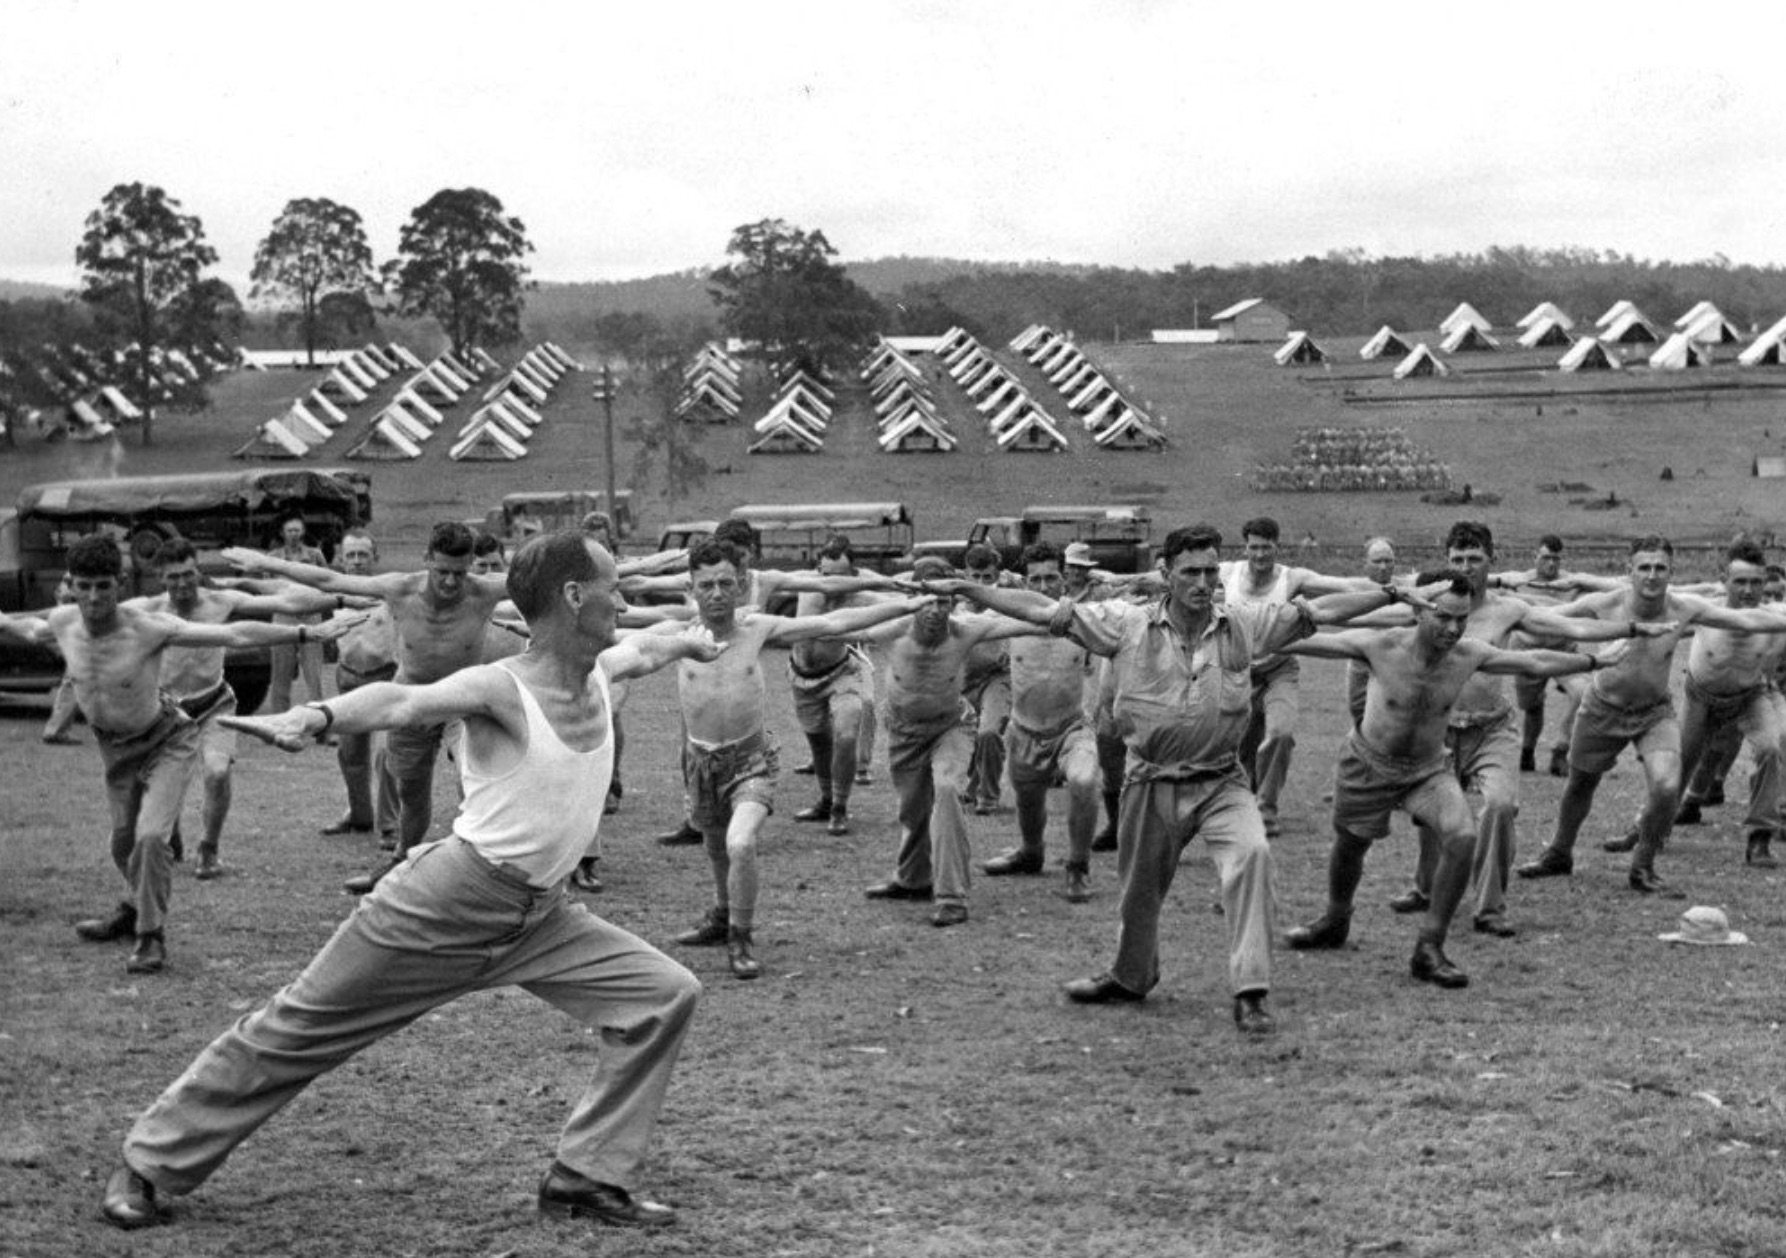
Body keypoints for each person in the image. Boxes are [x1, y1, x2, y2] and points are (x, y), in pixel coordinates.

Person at [99, 530, 716, 1233]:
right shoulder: (500, 686)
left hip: (542, 918)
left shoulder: (602, 672)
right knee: (299, 1028)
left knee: (662, 996)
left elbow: (650, 646)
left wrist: (692, 640)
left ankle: (586, 1177)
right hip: (442, 905)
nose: (623, 598)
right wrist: (319, 713)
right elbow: (400, 703)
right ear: (575, 597)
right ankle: (148, 1162)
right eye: (613, 585)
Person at [932, 525, 1405, 1033]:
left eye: (1210, 571)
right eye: (1190, 573)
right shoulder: (1125, 624)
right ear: (1166, 574)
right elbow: (1042, 610)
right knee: (1139, 890)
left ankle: (1251, 991)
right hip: (1152, 780)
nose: (1202, 583)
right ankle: (1131, 975)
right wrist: (966, 590)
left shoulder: (1243, 623)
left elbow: (1320, 613)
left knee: (1253, 856)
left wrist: (1391, 593)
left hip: (1222, 780)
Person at [0, 534, 359, 974]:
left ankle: (151, 937)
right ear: (71, 585)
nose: (94, 598)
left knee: (152, 837)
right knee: (123, 844)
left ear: (121, 583)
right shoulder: (61, 622)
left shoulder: (146, 627)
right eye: (85, 587)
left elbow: (234, 631)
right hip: (115, 751)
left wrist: (306, 630)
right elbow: (22, 626)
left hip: (167, 739)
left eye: (104, 587)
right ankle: (134, 910)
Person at [1280, 573, 1616, 988]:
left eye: (1461, 619)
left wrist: (1595, 661)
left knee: (1461, 836)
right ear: (1418, 609)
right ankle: (1335, 918)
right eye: (1443, 617)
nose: (1454, 629)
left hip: (1426, 770)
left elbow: (1533, 662)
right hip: (1368, 763)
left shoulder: (1468, 654)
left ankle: (1430, 947)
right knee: (1351, 845)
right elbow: (1304, 639)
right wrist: (1245, 628)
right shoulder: (1379, 645)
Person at [1367, 523, 1656, 936]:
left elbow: (1571, 628)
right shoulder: (1424, 600)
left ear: (1492, 560)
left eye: (1474, 559)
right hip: (1440, 727)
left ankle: (1490, 906)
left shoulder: (1507, 609)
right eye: (1457, 560)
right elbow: (1371, 609)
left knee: (1500, 805)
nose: (1464, 568)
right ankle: (1425, 886)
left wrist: (1629, 629)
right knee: (1429, 816)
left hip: (1491, 728)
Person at [661, 539, 925, 977]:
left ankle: (740, 938)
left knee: (740, 842)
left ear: (742, 583)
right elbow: (622, 635)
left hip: (750, 760)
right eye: (706, 585)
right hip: (701, 760)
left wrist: (905, 607)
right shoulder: (679, 636)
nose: (717, 593)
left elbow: (834, 619)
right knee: (714, 844)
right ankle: (722, 914)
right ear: (691, 587)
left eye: (727, 583)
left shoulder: (759, 628)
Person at [222, 522, 508, 893]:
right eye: (442, 572)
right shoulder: (400, 588)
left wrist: (609, 573)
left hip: (463, 701)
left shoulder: (485, 591)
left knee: (473, 781)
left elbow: (552, 574)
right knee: (411, 792)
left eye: (460, 572)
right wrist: (264, 561)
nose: (452, 583)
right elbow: (328, 580)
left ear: (471, 564)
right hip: (409, 702)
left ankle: (482, 870)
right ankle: (402, 863)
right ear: (426, 560)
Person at [1518, 535, 1786, 897]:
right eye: (1644, 567)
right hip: (1603, 706)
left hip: (1655, 712)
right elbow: (1548, 617)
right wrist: (1503, 611)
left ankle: (1643, 866)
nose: (1652, 575)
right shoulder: (1606, 603)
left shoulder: (1685, 608)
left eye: (1660, 568)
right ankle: (1559, 853)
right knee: (1580, 784)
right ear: (1630, 571)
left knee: (1666, 784)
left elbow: (1746, 618)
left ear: (1671, 573)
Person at [639, 517, 896, 847]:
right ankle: (696, 818)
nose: (738, 564)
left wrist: (898, 586)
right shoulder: (702, 576)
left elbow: (830, 589)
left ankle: (793, 805)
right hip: (700, 675)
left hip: (743, 674)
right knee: (689, 749)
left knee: (750, 746)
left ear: (749, 554)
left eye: (742, 555)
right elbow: (649, 586)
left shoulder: (766, 580)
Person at [135, 537, 355, 880]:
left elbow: (286, 601)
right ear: (160, 578)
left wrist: (342, 599)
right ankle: (171, 835)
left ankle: (208, 849)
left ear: (198, 571)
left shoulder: (220, 601)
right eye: (173, 576)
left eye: (189, 574)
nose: (182, 583)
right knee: (163, 782)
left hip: (214, 703)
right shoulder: (147, 610)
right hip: (167, 712)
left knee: (217, 772)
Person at [863, 557, 1041, 927]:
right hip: (904, 731)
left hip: (952, 726)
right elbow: (834, 625)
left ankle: (952, 896)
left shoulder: (965, 630)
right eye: (926, 600)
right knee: (912, 810)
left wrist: (1064, 615)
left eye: (943, 601)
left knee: (945, 791)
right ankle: (913, 879)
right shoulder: (891, 629)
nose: (935, 610)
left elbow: (1026, 617)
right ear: (913, 599)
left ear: (953, 601)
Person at [1605, 540, 1786, 868]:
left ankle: (1760, 838)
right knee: (1677, 769)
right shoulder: (1702, 609)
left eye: (1756, 582)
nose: (1748, 590)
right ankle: (1646, 830)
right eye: (1740, 581)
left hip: (1750, 696)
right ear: (1723, 580)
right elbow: (1635, 597)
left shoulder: (1775, 618)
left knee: (1771, 748)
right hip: (1701, 697)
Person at [1222, 516, 1378, 837]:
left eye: (1267, 548)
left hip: (1280, 670)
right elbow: (1172, 575)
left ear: (1277, 547)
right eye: (1254, 548)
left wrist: (1392, 588)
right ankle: (1242, 801)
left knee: (1280, 733)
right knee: (1242, 746)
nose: (1260, 555)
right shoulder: (1229, 573)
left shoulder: (1292, 578)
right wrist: (1120, 579)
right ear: (1245, 547)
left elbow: (1344, 586)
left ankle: (1265, 809)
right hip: (1237, 673)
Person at [975, 543, 1105, 902]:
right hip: (1025, 729)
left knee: (1083, 780)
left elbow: (1099, 668)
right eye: (1036, 579)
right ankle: (1031, 853)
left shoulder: (1085, 619)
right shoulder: (1008, 621)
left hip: (1072, 728)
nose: (1044, 585)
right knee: (1029, 805)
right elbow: (967, 624)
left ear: (1063, 580)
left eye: (1051, 577)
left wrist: (1094, 712)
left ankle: (1078, 868)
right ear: (1025, 582)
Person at [1490, 536, 1623, 775]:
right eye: (1545, 558)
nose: (1551, 564)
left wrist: (1583, 579)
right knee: (1532, 708)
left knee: (1582, 693)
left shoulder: (1571, 582)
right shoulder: (1519, 581)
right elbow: (1486, 588)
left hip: (1564, 651)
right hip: (1526, 652)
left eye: (1556, 559)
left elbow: (1618, 588)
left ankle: (1561, 750)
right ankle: (1528, 751)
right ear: (1535, 557)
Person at [787, 536, 887, 836]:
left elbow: (898, 600)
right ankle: (826, 801)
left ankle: (840, 809)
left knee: (845, 734)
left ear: (853, 575)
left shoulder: (862, 597)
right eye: (825, 574)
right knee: (819, 741)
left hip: (844, 672)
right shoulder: (805, 585)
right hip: (802, 677)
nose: (830, 584)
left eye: (838, 577)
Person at [323, 529, 399, 841]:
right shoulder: (334, 596)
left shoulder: (389, 593)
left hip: (385, 678)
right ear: (341, 558)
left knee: (385, 754)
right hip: (349, 678)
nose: (356, 561)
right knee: (350, 754)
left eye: (362, 555)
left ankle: (390, 823)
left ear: (374, 558)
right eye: (350, 555)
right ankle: (359, 814)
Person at [960, 543, 1017, 814]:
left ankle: (988, 796)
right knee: (967, 740)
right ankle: (972, 786)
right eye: (975, 577)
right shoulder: (953, 604)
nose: (981, 584)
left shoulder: (1007, 600)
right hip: (963, 681)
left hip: (997, 678)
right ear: (965, 575)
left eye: (988, 578)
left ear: (998, 577)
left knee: (989, 732)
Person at [264, 515, 328, 712]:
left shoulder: (315, 555)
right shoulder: (272, 558)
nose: (293, 534)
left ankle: (319, 723)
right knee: (280, 674)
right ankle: (279, 721)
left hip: (310, 617)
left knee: (314, 673)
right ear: (282, 533)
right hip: (283, 618)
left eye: (297, 530)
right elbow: (267, 588)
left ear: (303, 532)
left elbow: (326, 581)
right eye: (289, 530)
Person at [1347, 537, 1398, 728]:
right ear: (1365, 564)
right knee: (1358, 712)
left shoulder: (1408, 590)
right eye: (1377, 561)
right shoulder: (1352, 590)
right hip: (1361, 661)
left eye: (1388, 561)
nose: (1383, 567)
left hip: (1396, 664)